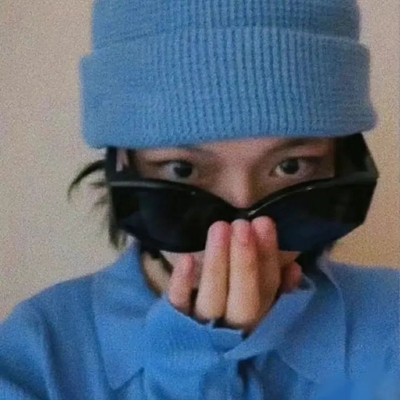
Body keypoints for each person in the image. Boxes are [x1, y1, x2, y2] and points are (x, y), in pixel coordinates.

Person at [1, 0, 399, 399]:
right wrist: (190, 373)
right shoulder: (39, 354)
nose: (240, 224)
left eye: (290, 167)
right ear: (123, 164)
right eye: (182, 170)